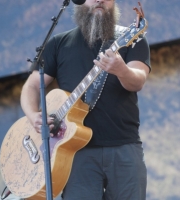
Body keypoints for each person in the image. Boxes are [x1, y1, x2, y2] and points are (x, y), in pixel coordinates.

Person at [20, 0, 151, 199]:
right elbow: (31, 86)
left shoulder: (132, 37)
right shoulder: (58, 43)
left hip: (124, 147)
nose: (99, 0)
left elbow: (137, 81)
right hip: (74, 152)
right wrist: (32, 115)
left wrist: (121, 70)